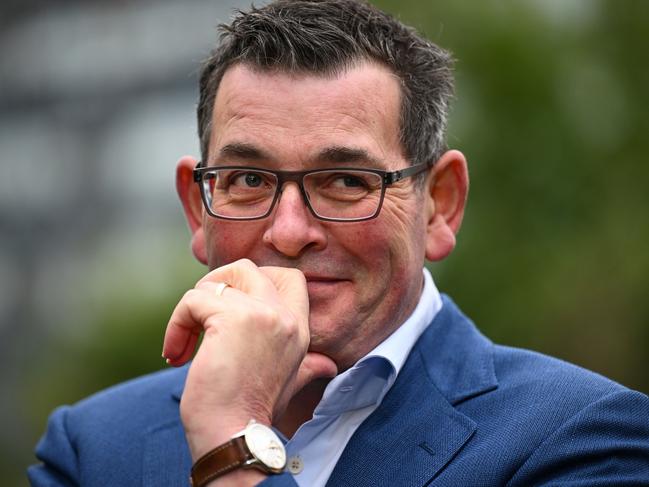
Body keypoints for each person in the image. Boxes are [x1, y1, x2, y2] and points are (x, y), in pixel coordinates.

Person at [29, 1, 649, 486]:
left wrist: (232, 443)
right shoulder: (91, 448)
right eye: (248, 180)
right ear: (198, 208)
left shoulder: (581, 439)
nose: (291, 232)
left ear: (440, 205)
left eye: (347, 182)